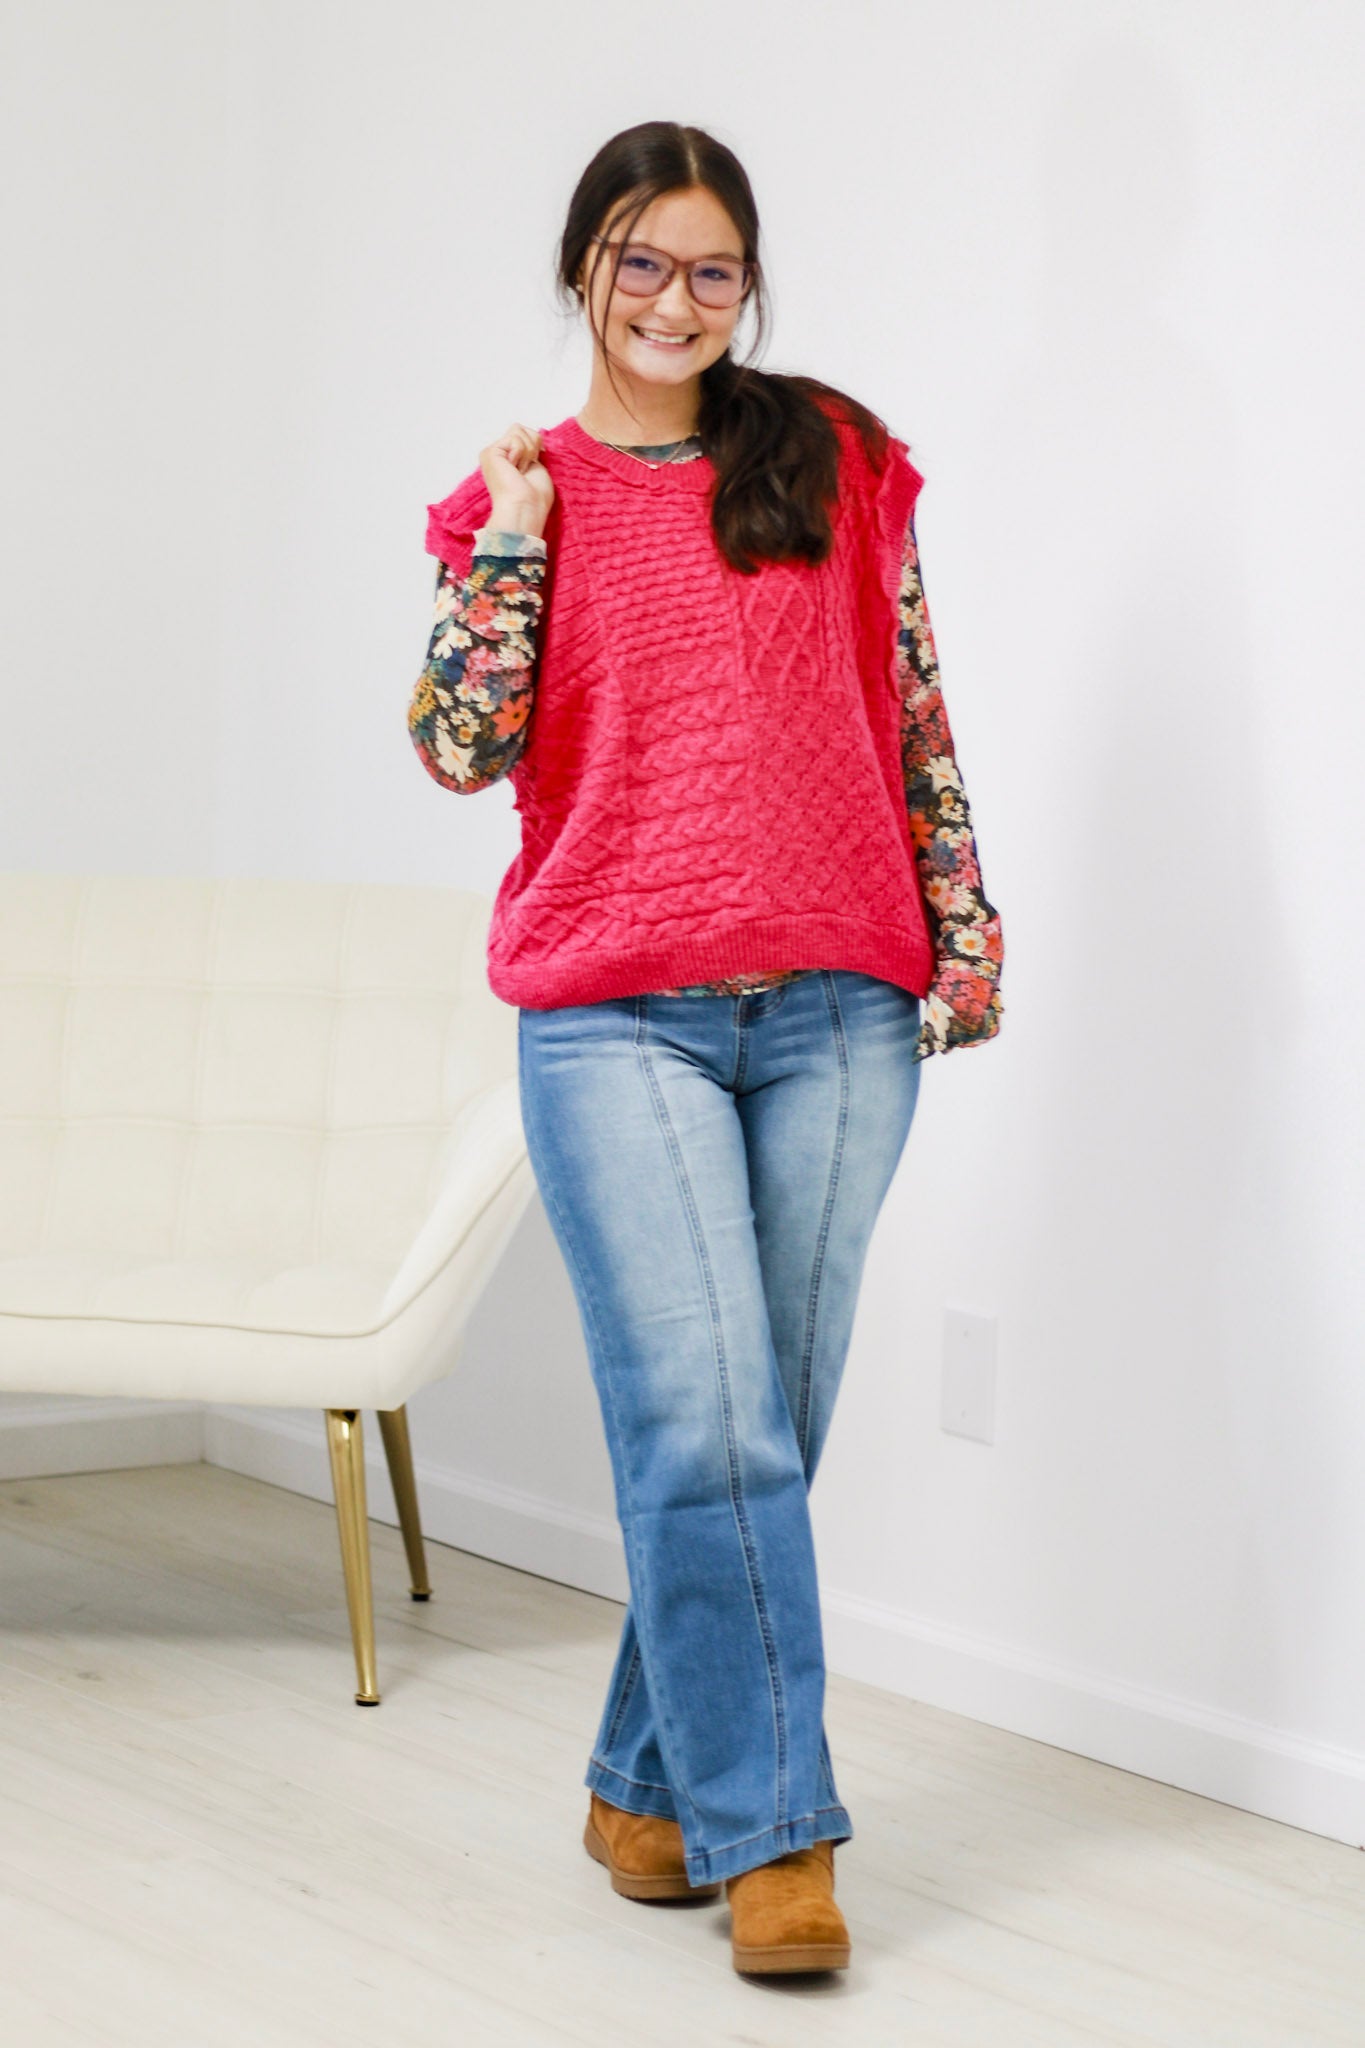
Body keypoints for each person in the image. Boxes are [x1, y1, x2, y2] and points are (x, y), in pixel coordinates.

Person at [408, 120, 1004, 1978]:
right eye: (641, 263)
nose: (675, 300)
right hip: (614, 1017)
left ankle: (640, 1788)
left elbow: (908, 701)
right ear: (582, 269)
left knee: (760, 1427)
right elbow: (458, 746)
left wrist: (961, 922)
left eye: (711, 269)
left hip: (838, 1004)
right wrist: (513, 547)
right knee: (708, 1422)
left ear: (748, 284)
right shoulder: (519, 498)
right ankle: (777, 1843)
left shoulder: (826, 452)